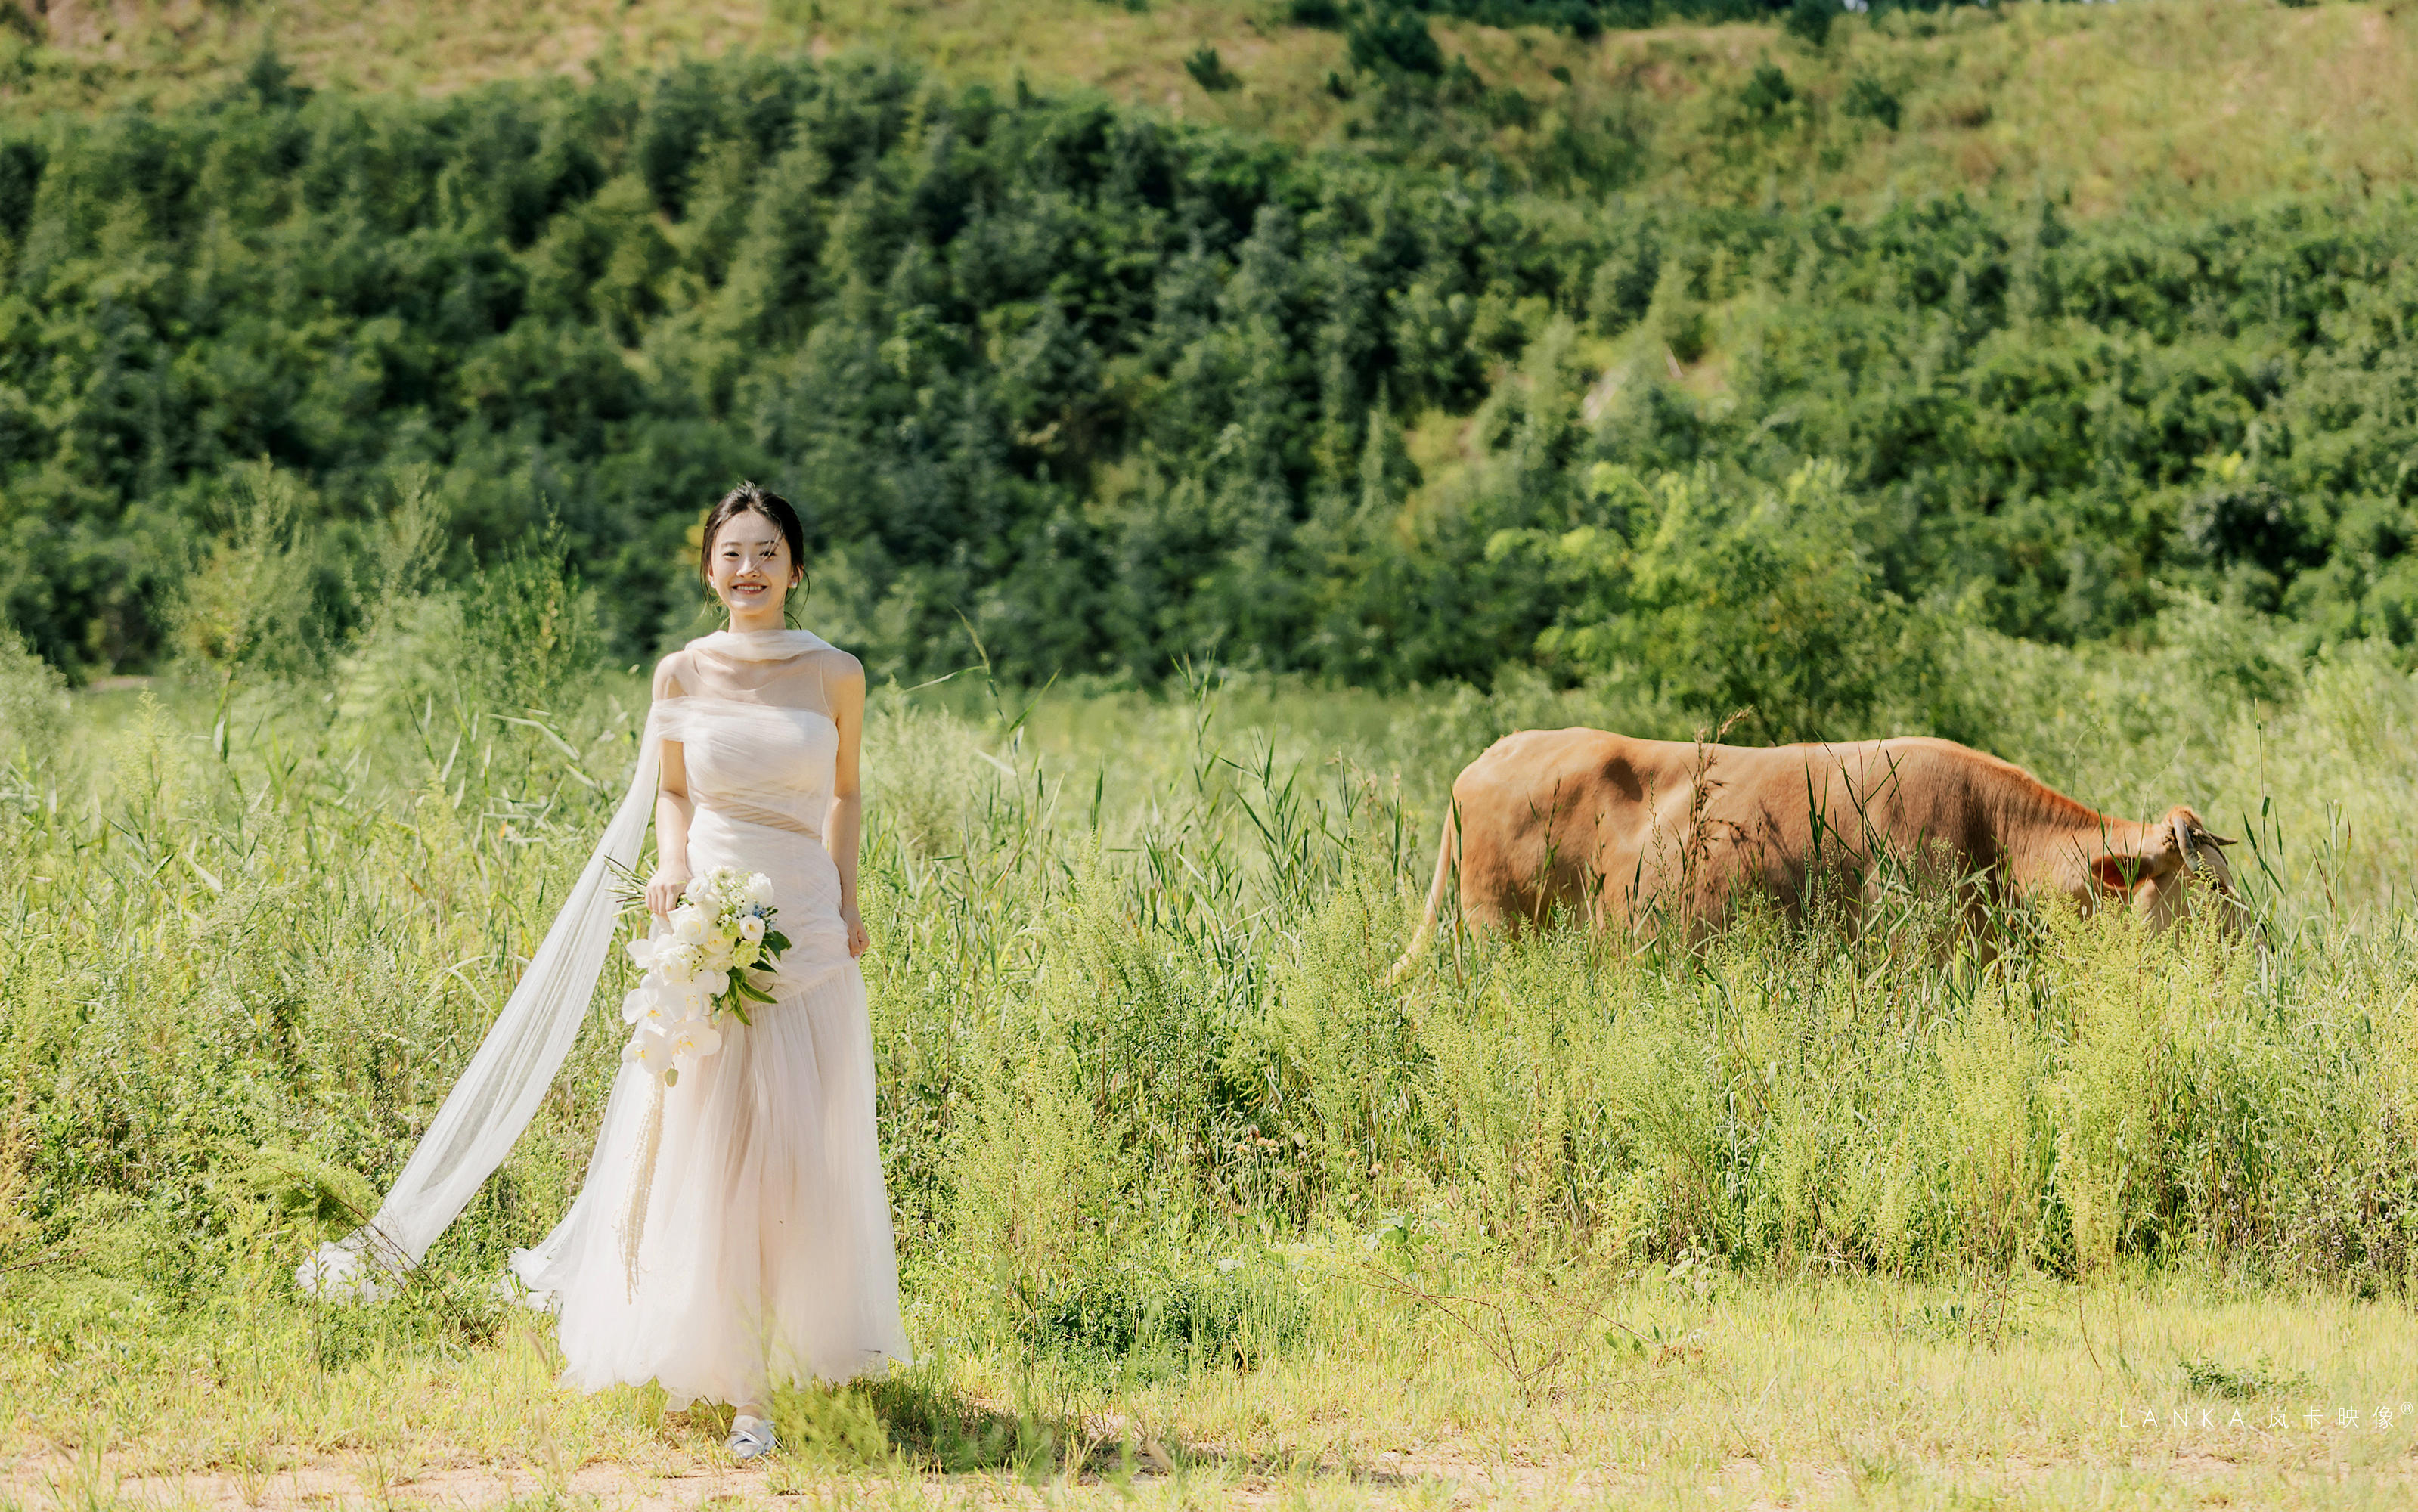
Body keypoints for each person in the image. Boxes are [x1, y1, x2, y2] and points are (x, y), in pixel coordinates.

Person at [299, 485, 910, 1462]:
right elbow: (672, 789)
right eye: (730, 553)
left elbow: (844, 791)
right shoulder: (681, 670)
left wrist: (845, 903)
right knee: (701, 1151)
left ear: (796, 567)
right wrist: (672, 871)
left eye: (767, 552)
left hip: (803, 927)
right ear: (708, 567)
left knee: (801, 1155)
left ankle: (787, 1356)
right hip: (708, 923)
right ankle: (727, 1375)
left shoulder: (835, 673)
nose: (747, 569)